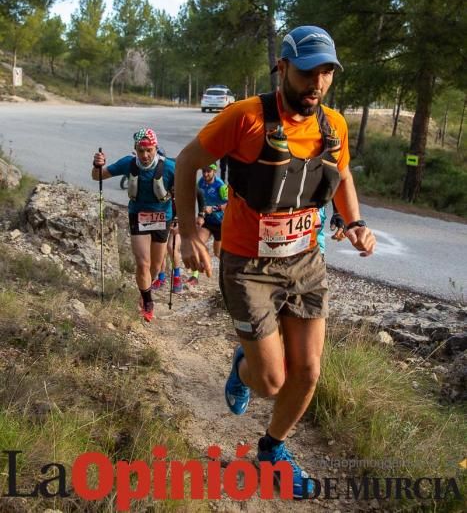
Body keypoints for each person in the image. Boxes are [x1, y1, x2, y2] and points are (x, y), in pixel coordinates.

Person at [175, 25, 376, 499]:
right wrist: (188, 233)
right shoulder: (244, 118)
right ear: (283, 67)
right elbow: (186, 163)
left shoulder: (334, 125)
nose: (318, 84)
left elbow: (341, 172)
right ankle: (245, 362)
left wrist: (355, 221)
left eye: (327, 73)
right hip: (247, 264)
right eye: (308, 72)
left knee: (307, 372)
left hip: (305, 260)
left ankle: (272, 449)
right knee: (270, 381)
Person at [92, 128, 176, 323]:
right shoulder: (128, 164)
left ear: (156, 148)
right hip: (138, 215)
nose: (145, 155)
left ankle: (144, 291)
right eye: (141, 151)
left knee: (155, 266)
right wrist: (97, 164)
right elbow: (97, 176)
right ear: (135, 150)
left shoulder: (170, 167)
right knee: (142, 263)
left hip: (163, 217)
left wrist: (181, 218)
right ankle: (148, 302)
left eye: (149, 150)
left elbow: (184, 190)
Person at [196, 163, 228, 259]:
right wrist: (200, 215)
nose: (205, 174)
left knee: (218, 253)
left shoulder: (221, 186)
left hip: (220, 222)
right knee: (199, 244)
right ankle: (199, 271)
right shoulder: (201, 182)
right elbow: (200, 199)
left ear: (214, 171)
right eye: (203, 171)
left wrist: (213, 208)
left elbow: (228, 205)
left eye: (208, 171)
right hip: (207, 220)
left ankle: (222, 272)